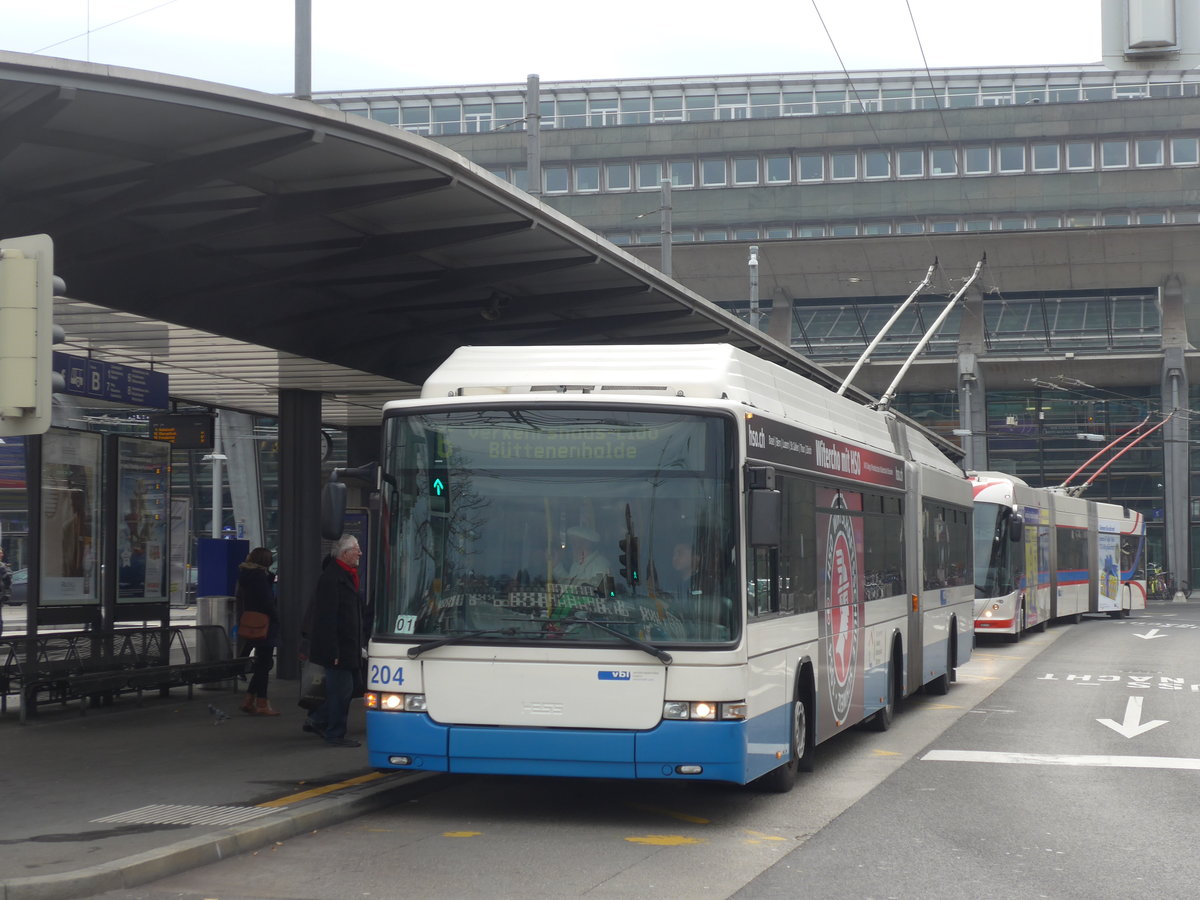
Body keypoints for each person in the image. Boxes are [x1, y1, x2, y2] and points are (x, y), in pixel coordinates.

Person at [304, 534, 366, 747]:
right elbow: (326, 618)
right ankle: (335, 733)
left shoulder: (346, 575)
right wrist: (334, 652)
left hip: (349, 647)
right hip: (339, 649)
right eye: (356, 549)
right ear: (345, 553)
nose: (360, 553)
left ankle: (318, 718)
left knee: (352, 687)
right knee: (342, 691)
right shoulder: (333, 579)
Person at [235, 547, 280, 716]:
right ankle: (262, 702)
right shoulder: (260, 578)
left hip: (251, 622)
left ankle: (249, 699)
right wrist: (276, 617)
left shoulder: (246, 576)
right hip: (264, 624)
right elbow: (267, 602)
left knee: (263, 663)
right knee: (265, 664)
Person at [553, 526, 613, 600]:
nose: (573, 547)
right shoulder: (576, 564)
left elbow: (597, 596)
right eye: (573, 544)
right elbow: (569, 587)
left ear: (586, 545)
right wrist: (556, 565)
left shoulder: (601, 565)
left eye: (575, 543)